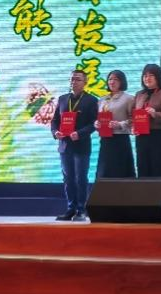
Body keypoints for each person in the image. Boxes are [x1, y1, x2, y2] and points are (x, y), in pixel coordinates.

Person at [50, 69, 99, 221]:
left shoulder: (91, 100)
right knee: (68, 179)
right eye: (72, 79)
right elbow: (55, 121)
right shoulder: (62, 99)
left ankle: (81, 210)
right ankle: (70, 208)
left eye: (78, 79)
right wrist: (55, 132)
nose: (74, 82)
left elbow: (94, 123)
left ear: (85, 82)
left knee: (80, 179)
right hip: (65, 145)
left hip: (81, 145)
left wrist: (80, 133)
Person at [95, 69, 135, 179]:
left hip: (120, 140)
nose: (112, 82)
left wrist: (120, 124)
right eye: (110, 79)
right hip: (105, 140)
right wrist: (97, 124)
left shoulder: (129, 98)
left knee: (119, 172)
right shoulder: (102, 99)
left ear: (122, 81)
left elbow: (133, 119)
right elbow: (99, 117)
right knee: (104, 172)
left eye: (116, 79)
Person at [133, 64, 161, 177]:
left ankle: (159, 189)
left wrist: (155, 114)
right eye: (145, 76)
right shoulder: (139, 94)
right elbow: (133, 114)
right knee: (142, 166)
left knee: (158, 167)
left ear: (158, 77)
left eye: (151, 75)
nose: (147, 78)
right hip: (141, 136)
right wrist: (133, 126)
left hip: (158, 135)